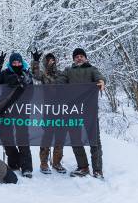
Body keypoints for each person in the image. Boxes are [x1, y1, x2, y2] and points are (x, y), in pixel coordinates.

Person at [59, 48, 106, 179]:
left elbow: (100, 77)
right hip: (73, 111)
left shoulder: (92, 69)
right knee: (75, 140)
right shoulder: (68, 71)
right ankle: (83, 166)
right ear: (74, 59)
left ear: (85, 58)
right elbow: (60, 82)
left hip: (89, 110)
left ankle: (97, 169)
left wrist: (102, 82)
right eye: (77, 56)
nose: (79, 58)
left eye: (81, 56)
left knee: (94, 140)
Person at [0, 52, 34, 178]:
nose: (16, 64)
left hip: (21, 110)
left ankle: (26, 167)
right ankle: (14, 163)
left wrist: (27, 82)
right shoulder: (5, 74)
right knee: (6, 138)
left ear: (21, 62)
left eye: (18, 62)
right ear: (10, 63)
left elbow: (32, 92)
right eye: (14, 62)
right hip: (6, 110)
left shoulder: (27, 73)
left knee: (22, 137)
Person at [30, 50, 66, 175]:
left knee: (60, 136)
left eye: (53, 59)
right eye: (48, 60)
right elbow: (34, 74)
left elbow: (74, 82)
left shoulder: (62, 74)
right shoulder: (43, 75)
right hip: (48, 110)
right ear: (45, 63)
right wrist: (35, 61)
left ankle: (56, 162)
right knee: (47, 136)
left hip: (61, 110)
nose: (51, 61)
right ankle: (44, 163)